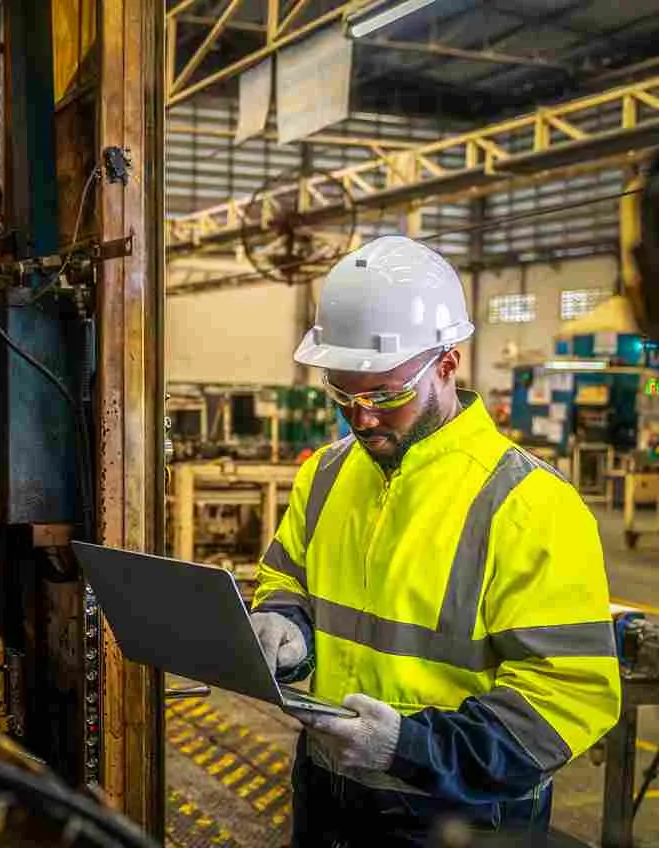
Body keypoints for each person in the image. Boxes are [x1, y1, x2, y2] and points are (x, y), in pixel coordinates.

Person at [250, 235, 621, 846]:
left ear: (446, 364)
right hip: (328, 793)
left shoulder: (528, 503)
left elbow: (567, 699)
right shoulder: (326, 473)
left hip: (458, 817)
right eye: (342, 393)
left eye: (384, 396)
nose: (361, 416)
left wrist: (410, 748)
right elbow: (287, 576)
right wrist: (284, 625)